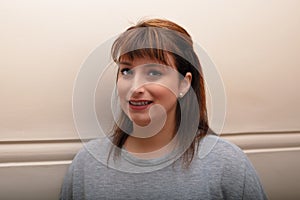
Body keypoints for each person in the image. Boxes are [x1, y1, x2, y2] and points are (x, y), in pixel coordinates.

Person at [60, 18, 267, 200]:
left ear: (184, 84)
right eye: (126, 71)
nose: (135, 88)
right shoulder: (86, 164)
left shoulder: (227, 163)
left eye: (153, 73)